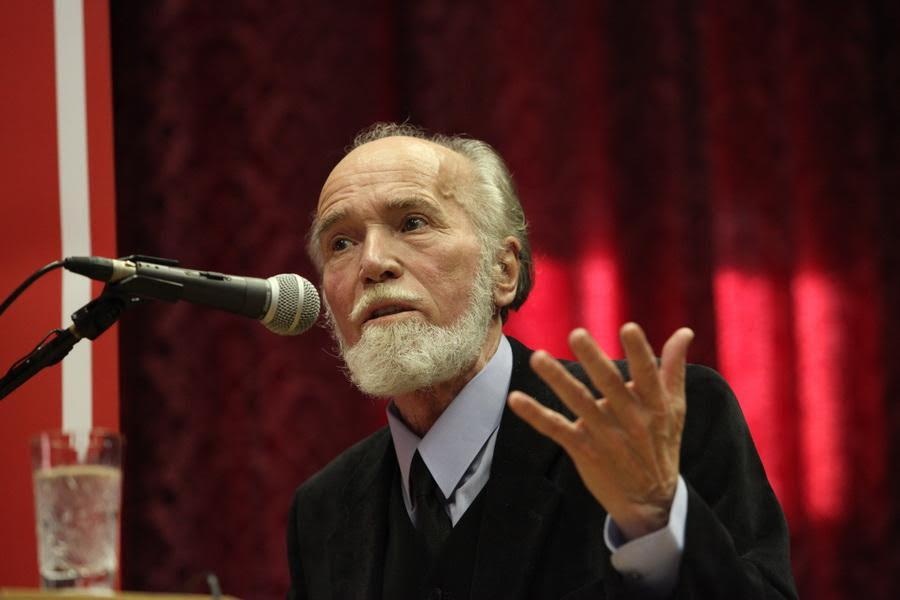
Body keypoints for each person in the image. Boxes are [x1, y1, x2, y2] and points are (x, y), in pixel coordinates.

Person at [285, 123, 797, 599]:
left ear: (503, 271)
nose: (373, 262)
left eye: (412, 222)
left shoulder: (657, 418)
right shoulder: (324, 509)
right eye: (341, 242)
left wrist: (656, 525)